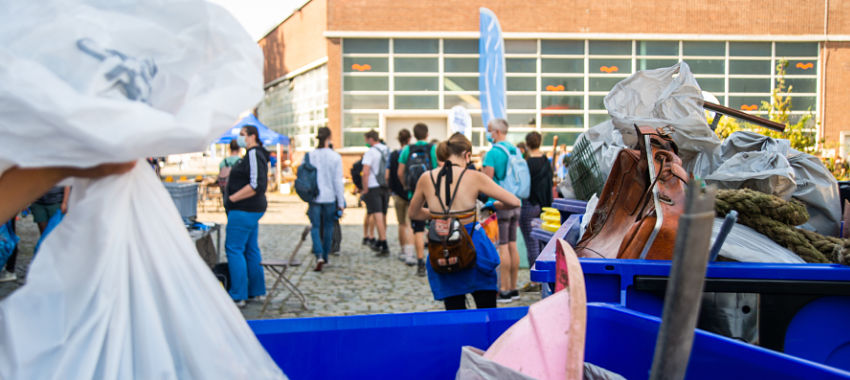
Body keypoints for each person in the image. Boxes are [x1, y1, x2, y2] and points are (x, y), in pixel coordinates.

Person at [408, 133, 520, 310]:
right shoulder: (474, 177)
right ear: (467, 154)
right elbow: (514, 202)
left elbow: (414, 213)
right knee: (486, 309)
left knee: (455, 311)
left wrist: (439, 215)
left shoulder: (426, 178)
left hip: (444, 246)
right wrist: (494, 206)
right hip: (473, 244)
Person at [224, 124, 269, 307]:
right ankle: (255, 290)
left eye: (242, 135)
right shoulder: (253, 155)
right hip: (250, 210)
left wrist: (233, 198)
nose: (240, 138)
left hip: (244, 209)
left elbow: (256, 184)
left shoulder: (253, 154)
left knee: (234, 249)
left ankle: (238, 294)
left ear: (252, 136)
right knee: (251, 249)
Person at [482, 118, 524, 303]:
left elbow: (486, 181)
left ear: (497, 132)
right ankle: (514, 288)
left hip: (499, 204)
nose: (488, 133)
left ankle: (504, 289)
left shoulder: (493, 153)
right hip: (516, 202)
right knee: (512, 244)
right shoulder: (515, 150)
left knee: (503, 246)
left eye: (490, 130)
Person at [397, 123, 439, 276]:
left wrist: (407, 187)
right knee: (434, 226)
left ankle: (420, 262)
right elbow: (438, 170)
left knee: (418, 229)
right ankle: (434, 260)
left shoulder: (407, 150)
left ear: (414, 136)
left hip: (414, 194)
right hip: (431, 193)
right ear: (427, 134)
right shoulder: (432, 149)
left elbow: (400, 172)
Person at [307, 127, 345, 271]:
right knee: (329, 227)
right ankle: (326, 256)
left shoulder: (311, 155)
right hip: (329, 197)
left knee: (315, 227)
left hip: (314, 197)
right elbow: (337, 181)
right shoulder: (335, 156)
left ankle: (318, 255)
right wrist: (341, 202)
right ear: (329, 137)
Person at [518, 132, 553, 267]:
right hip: (545, 206)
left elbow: (523, 187)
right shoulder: (546, 162)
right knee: (542, 242)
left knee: (531, 244)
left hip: (529, 206)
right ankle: (542, 274)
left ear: (527, 145)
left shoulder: (526, 164)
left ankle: (535, 279)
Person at [360, 130, 391, 256]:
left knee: (377, 214)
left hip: (374, 185)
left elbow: (365, 172)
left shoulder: (370, 152)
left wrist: (365, 188)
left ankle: (383, 242)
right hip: (386, 185)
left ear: (370, 139)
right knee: (383, 214)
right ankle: (381, 238)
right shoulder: (387, 150)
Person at [387, 129, 415, 265]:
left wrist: (393, 188)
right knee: (410, 224)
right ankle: (410, 253)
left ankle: (403, 251)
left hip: (398, 194)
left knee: (401, 224)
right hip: (410, 193)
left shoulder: (393, 155)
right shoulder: (412, 153)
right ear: (409, 139)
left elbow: (387, 175)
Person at [218, 140, 241, 208]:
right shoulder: (241, 162)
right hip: (238, 191)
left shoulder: (223, 162)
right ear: (239, 149)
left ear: (229, 148)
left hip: (226, 190)